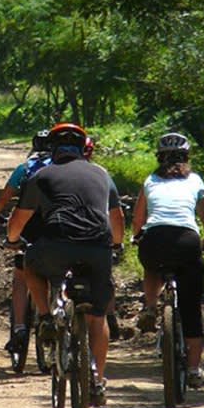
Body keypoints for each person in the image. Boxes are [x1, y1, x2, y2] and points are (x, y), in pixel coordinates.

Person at [6, 123, 124, 406]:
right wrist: (116, 244)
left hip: (55, 246)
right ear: (84, 149)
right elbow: (117, 219)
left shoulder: (43, 175)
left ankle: (46, 317)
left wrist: (12, 239)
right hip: (98, 248)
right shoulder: (102, 174)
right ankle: (97, 379)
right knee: (98, 316)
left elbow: (19, 220)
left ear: (53, 150)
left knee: (29, 265)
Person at [130, 132, 204, 388]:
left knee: (151, 264)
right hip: (187, 241)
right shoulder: (196, 181)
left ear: (159, 158)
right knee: (191, 308)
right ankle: (193, 369)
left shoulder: (150, 181)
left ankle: (149, 306)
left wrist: (136, 237)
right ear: (187, 157)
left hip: (155, 239)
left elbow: (137, 220)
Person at [0, 130, 52, 356]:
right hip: (60, 228)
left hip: (30, 228)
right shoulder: (63, 167)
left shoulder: (25, 168)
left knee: (21, 279)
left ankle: (19, 329)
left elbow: (4, 199)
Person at [82, 135, 124, 340]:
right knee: (105, 277)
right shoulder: (101, 173)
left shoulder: (53, 171)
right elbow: (116, 212)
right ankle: (110, 315)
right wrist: (117, 242)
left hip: (64, 237)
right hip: (100, 235)